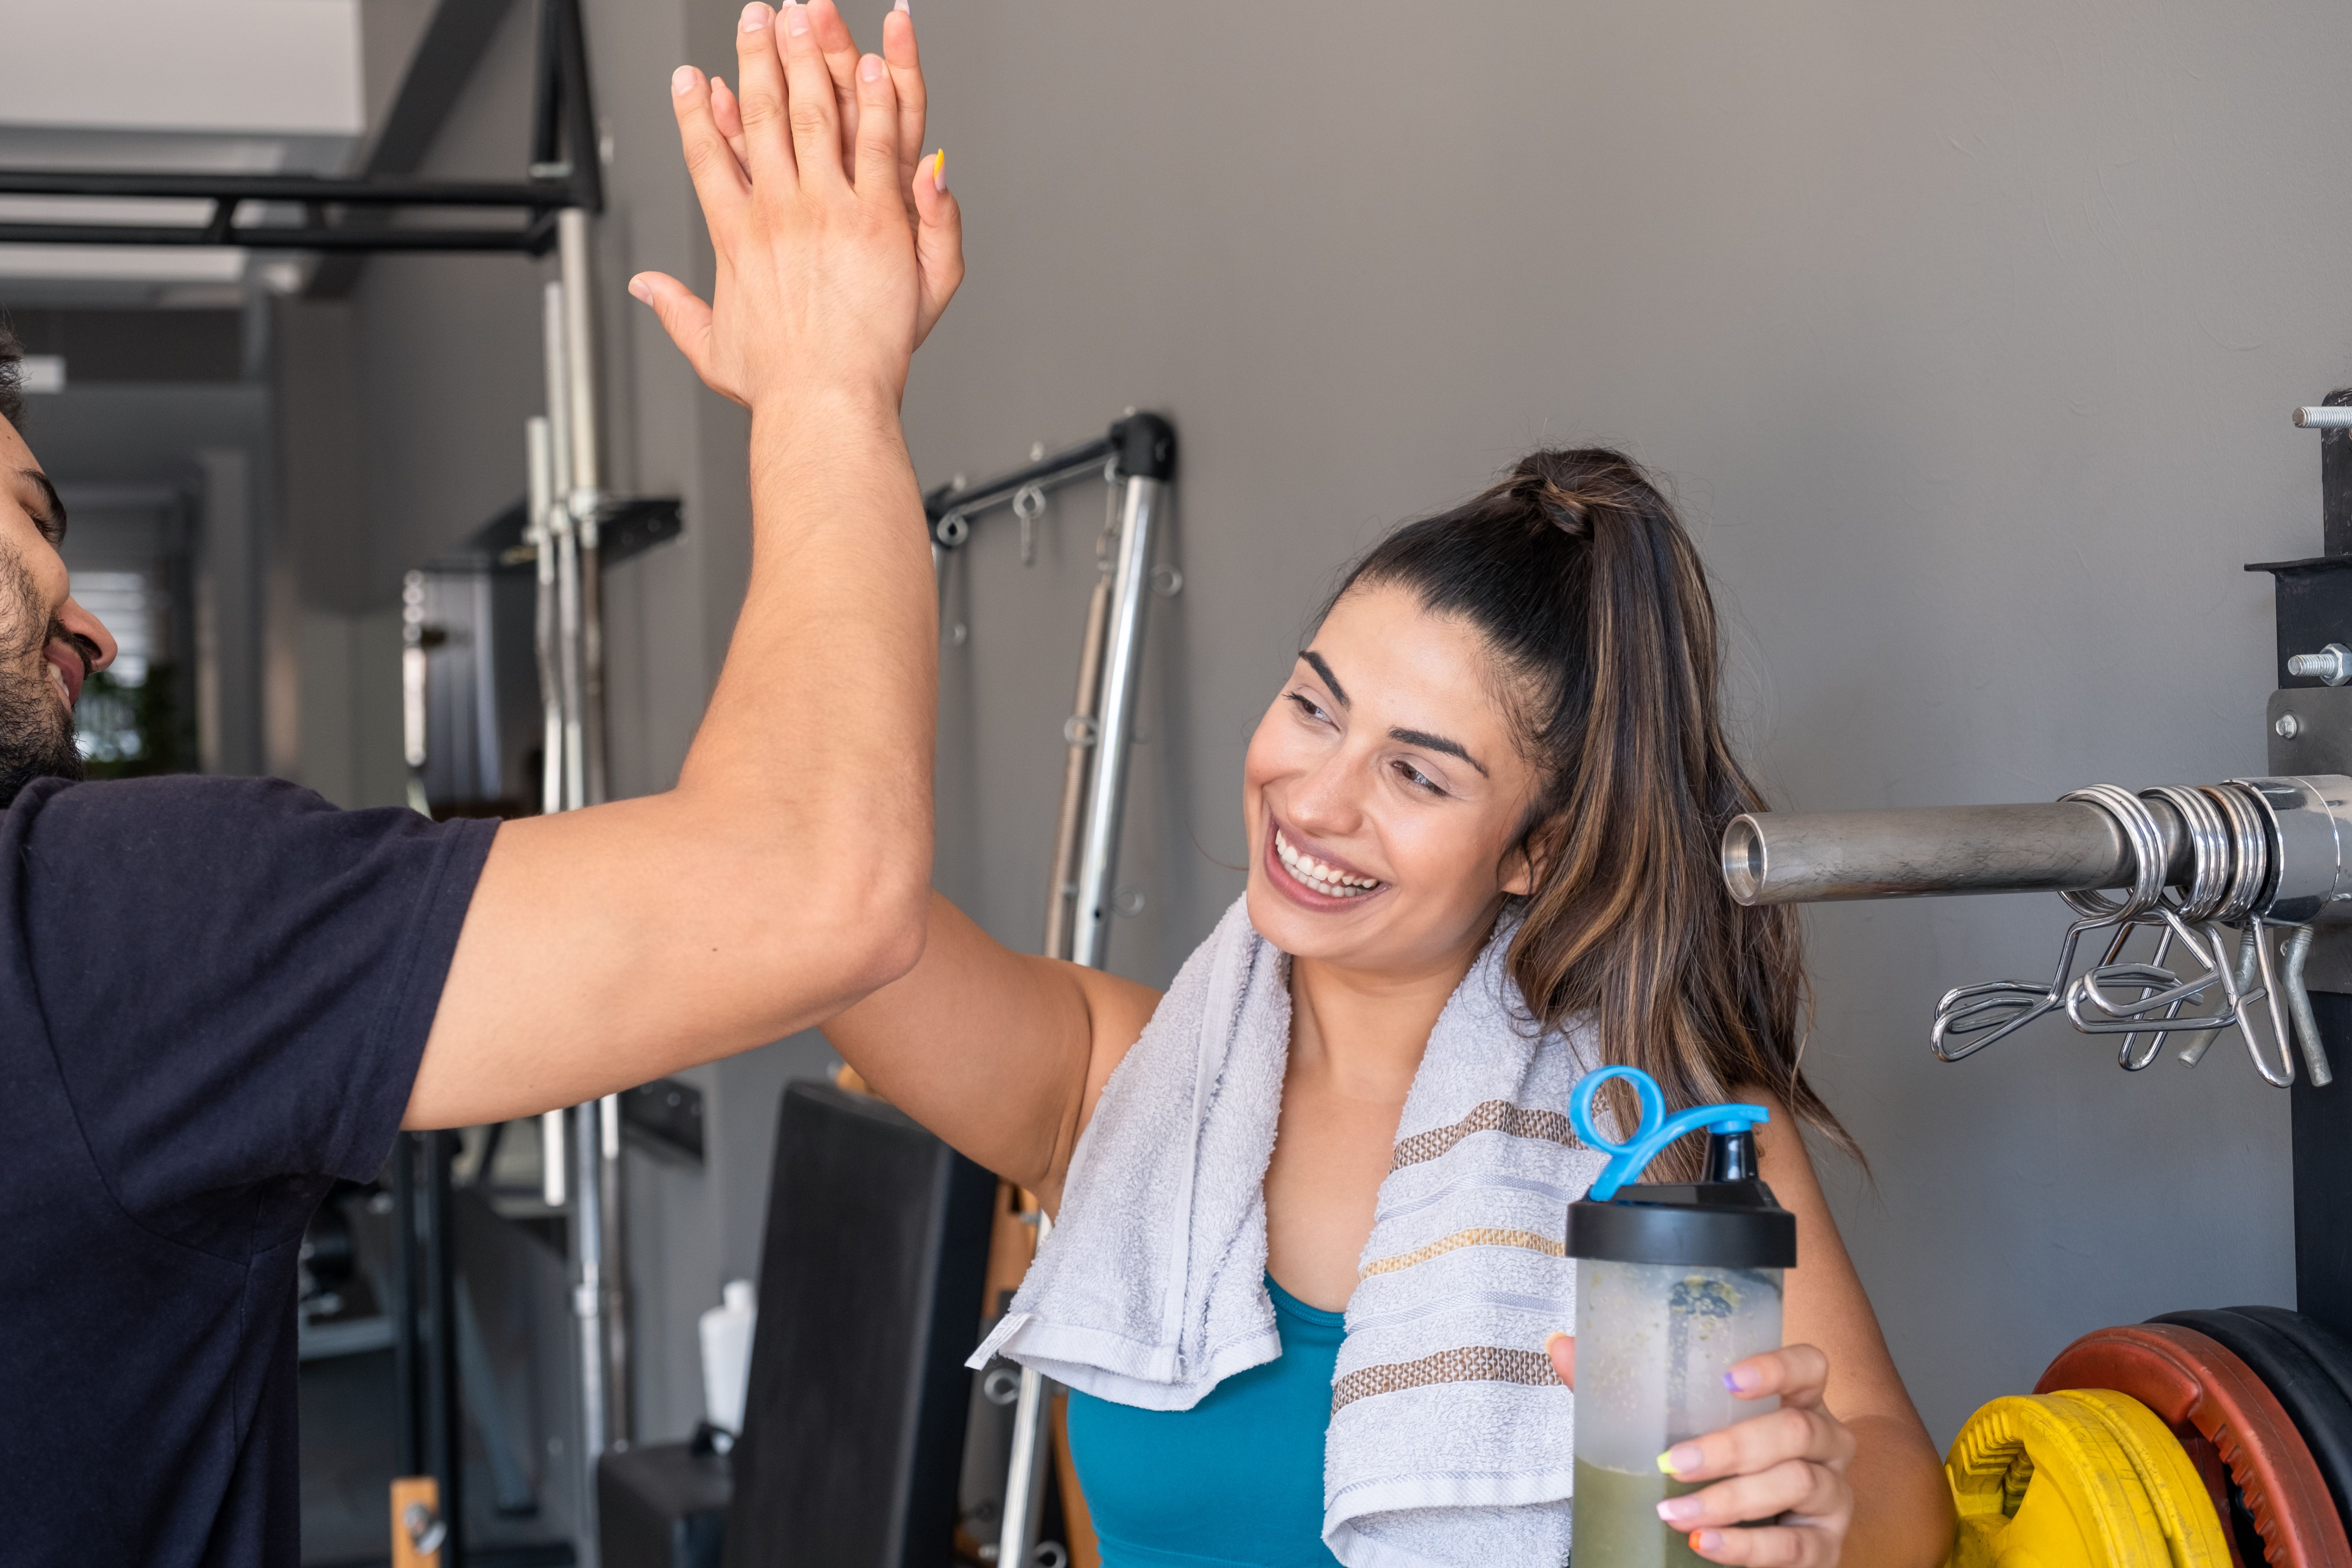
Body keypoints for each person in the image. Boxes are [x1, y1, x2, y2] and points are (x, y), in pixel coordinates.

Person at [0, 2, 958, 1559]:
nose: (89, 615)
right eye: (36, 523)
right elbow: (810, 881)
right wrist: (828, 388)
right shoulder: (93, 927)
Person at [824, 454, 1958, 1566]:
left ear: (1537, 851)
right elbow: (825, 912)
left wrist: (1826, 1504)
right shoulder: (1104, 1084)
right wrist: (832, 403)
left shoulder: (1663, 1132)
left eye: (1416, 774)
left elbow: (1902, 1485)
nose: (1316, 801)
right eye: (1316, 708)